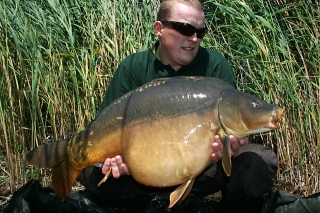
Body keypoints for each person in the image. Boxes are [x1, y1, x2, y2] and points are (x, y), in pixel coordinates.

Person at [77, 0, 278, 210]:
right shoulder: (133, 68)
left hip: (201, 171)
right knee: (88, 167)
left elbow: (234, 126)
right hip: (138, 174)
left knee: (260, 161)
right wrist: (115, 160)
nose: (193, 38)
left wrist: (231, 148)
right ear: (159, 29)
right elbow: (105, 129)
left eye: (200, 32)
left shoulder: (214, 65)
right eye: (185, 28)